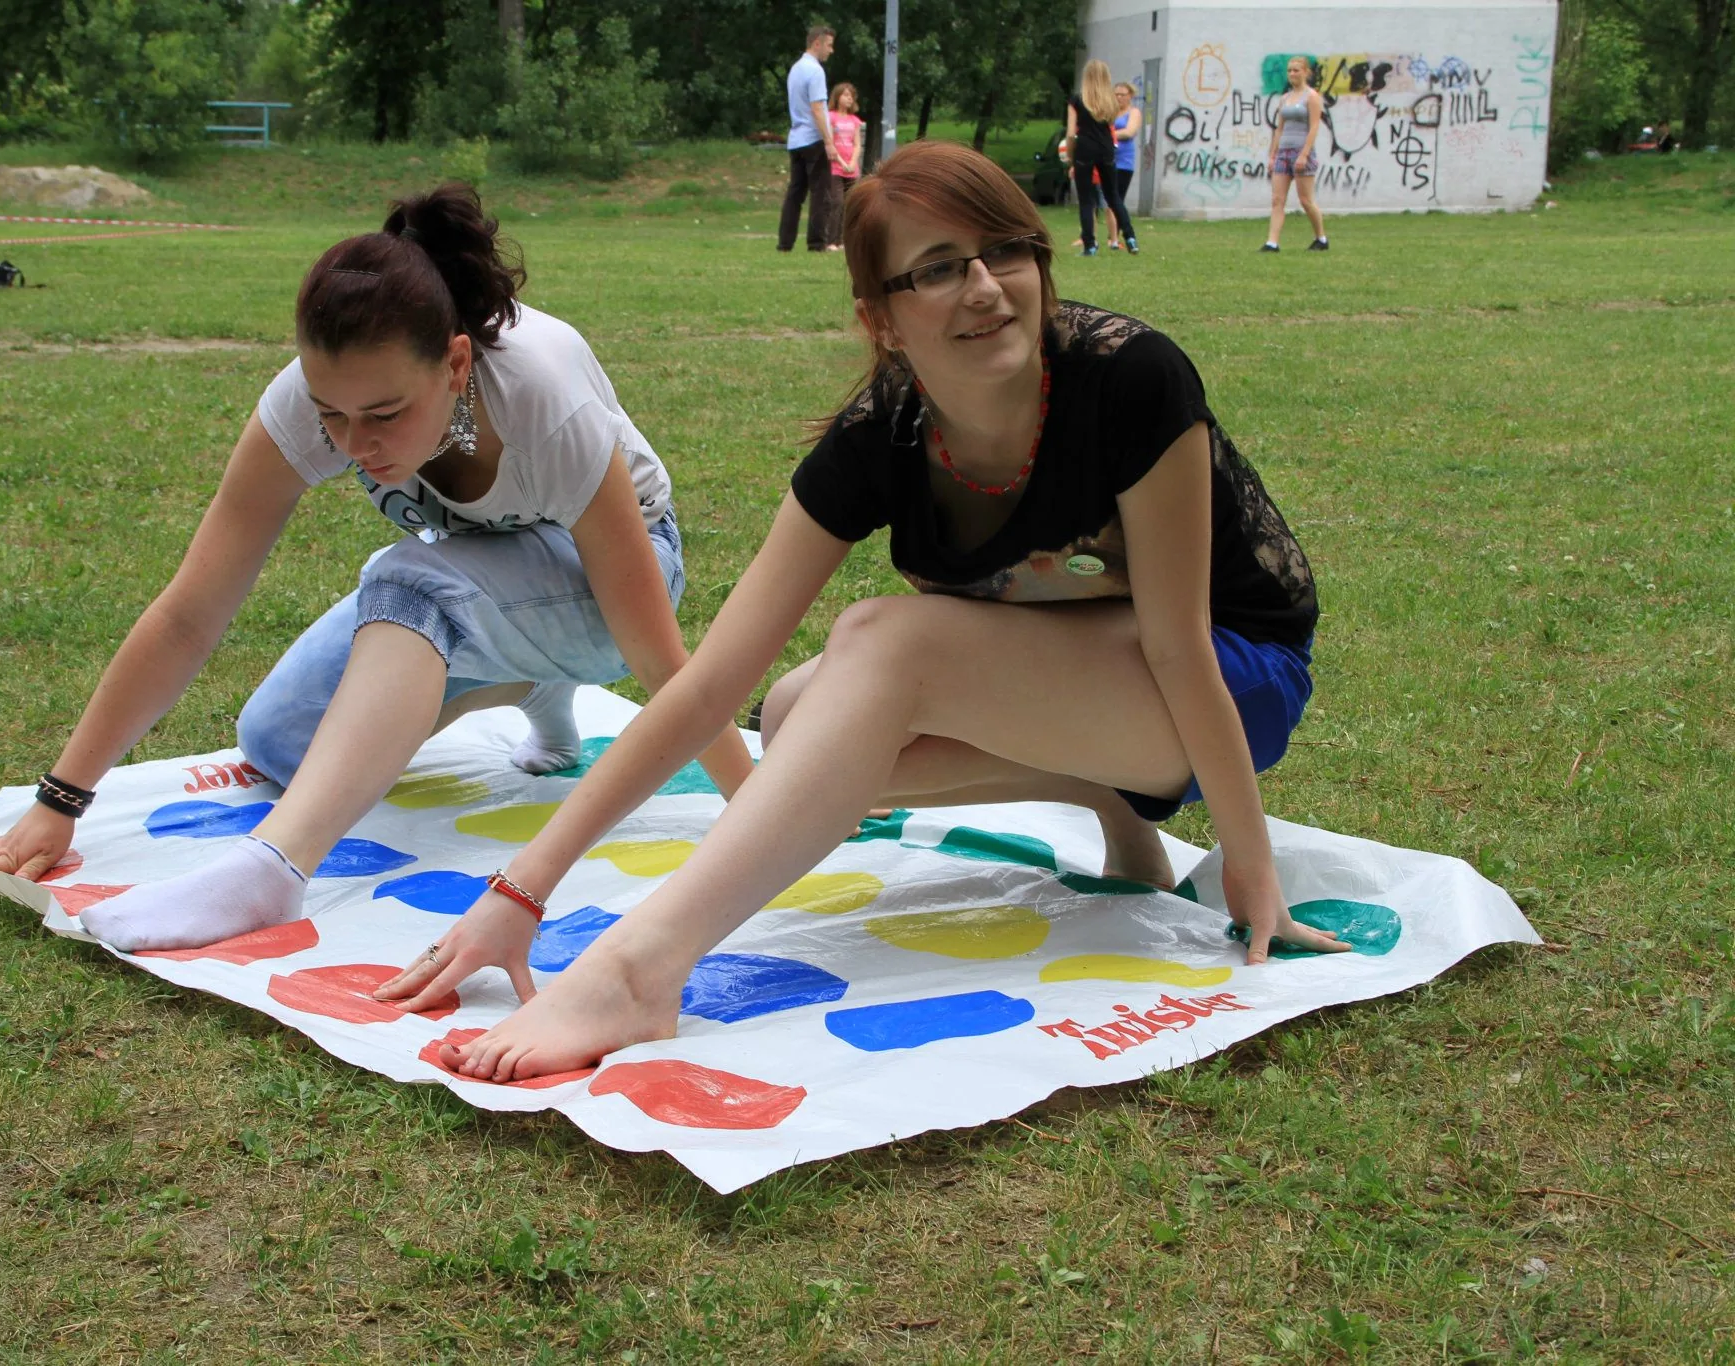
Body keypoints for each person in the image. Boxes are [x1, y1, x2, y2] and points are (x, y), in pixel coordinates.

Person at [376, 141, 1344, 1083]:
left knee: (884, 643)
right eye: (933, 271)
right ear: (879, 316)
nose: (983, 288)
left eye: (1004, 250)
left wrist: (1245, 855)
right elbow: (710, 679)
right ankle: (1112, 811)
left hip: (1229, 674)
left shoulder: (1129, 378)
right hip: (1087, 678)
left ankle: (638, 968)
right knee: (800, 716)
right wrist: (520, 888)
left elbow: (1178, 645)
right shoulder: (882, 436)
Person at [0, 184, 755, 955]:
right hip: (484, 589)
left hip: (619, 583)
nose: (355, 445)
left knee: (407, 582)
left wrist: (752, 802)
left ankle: (272, 870)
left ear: (456, 364)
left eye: (384, 414)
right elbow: (191, 610)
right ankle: (529, 680)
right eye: (332, 414)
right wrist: (61, 800)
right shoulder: (305, 400)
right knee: (280, 740)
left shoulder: (545, 397)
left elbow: (653, 652)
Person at [1067, 60, 1136, 256]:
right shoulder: (1111, 103)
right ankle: (1130, 237)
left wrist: (1070, 156)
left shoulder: (1077, 101)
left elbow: (1072, 133)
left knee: (1086, 199)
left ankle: (1089, 243)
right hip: (1106, 149)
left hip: (1084, 150)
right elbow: (1110, 127)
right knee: (1113, 195)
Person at [778, 25, 837, 254]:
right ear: (817, 43)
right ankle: (816, 243)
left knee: (795, 194)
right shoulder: (815, 71)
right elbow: (817, 108)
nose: (831, 51)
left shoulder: (795, 69)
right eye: (829, 45)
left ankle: (785, 243)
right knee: (821, 194)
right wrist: (829, 141)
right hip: (814, 139)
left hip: (796, 139)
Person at [1263, 57, 1328, 252]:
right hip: (1283, 152)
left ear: (1306, 73)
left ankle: (1321, 238)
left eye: (1296, 70)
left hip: (1301, 152)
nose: (1292, 74)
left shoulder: (1311, 97)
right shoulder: (1284, 98)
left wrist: (1304, 154)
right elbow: (1279, 129)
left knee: (1306, 200)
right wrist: (1273, 155)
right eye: (1290, 70)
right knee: (1277, 199)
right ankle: (1272, 243)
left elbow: (1314, 126)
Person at [824, 82, 865, 251]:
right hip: (835, 167)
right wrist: (841, 162)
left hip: (851, 168)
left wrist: (852, 162)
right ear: (837, 97)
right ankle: (831, 240)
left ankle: (843, 241)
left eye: (851, 96)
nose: (849, 99)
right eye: (845, 95)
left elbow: (857, 144)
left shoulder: (854, 120)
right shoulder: (831, 117)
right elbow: (830, 142)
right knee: (837, 202)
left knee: (850, 204)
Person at [1111, 81, 1142, 214]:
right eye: (1116, 94)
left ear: (1130, 96)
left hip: (1124, 161)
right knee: (1107, 200)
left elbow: (1129, 132)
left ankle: (1120, 232)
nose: (1119, 98)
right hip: (1107, 159)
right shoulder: (1110, 113)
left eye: (1122, 95)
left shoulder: (1134, 112)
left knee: (1118, 198)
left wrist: (1108, 135)